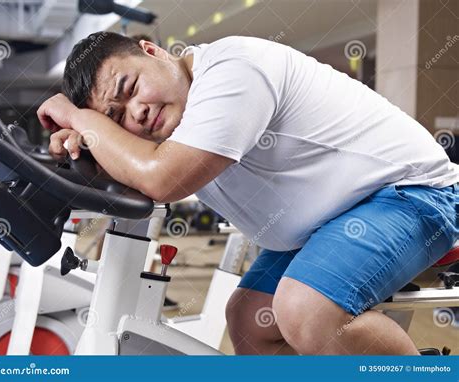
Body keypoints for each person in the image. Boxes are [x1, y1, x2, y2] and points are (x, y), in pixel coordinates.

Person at [38, 32, 459, 355]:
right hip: (331, 221)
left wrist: (78, 117)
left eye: (131, 88)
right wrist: (85, 141)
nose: (137, 112)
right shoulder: (171, 128)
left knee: (304, 310)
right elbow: (135, 168)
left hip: (410, 192)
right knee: (247, 322)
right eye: (115, 117)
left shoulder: (232, 70)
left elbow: (161, 178)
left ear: (153, 51)